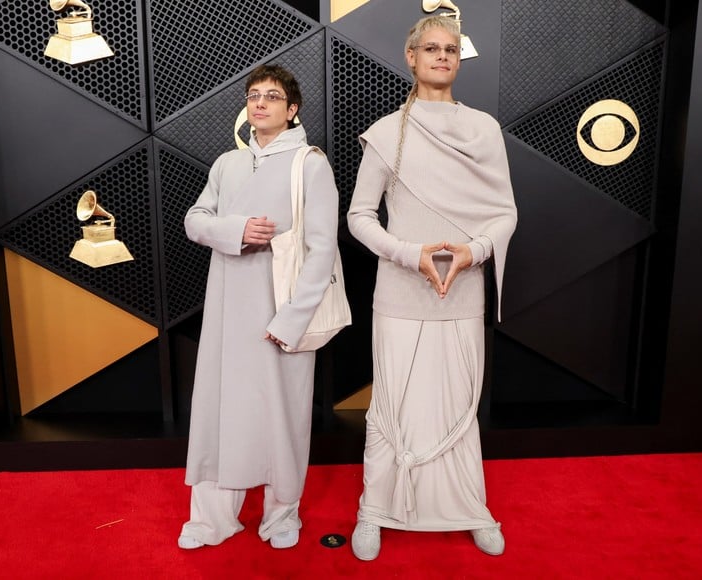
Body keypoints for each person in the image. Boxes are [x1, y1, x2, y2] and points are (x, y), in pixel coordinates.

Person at [346, 14, 518, 560]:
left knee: (458, 403)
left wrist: (475, 252)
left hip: (463, 290)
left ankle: (469, 507)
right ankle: (375, 509)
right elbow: (360, 216)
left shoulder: (483, 129)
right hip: (399, 294)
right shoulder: (385, 132)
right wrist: (408, 254)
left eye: (450, 49)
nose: (442, 56)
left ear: (457, 60)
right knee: (392, 403)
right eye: (431, 48)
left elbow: (505, 213)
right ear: (411, 56)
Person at [178, 64, 340, 550]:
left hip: (281, 309)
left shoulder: (310, 163)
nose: (260, 103)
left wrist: (292, 319)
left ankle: (281, 516)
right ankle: (211, 519)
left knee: (283, 414)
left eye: (272, 96)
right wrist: (235, 231)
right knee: (217, 408)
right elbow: (194, 219)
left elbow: (322, 249)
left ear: (292, 111)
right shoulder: (227, 163)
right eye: (253, 95)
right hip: (227, 308)